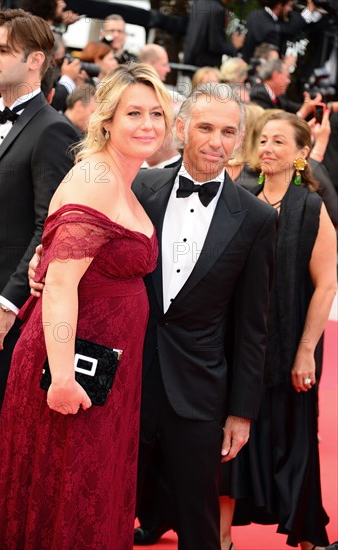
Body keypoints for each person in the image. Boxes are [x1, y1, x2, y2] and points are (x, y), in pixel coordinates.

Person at [29, 82, 278, 549]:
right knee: (104, 499)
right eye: (204, 127)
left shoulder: (257, 218)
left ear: (239, 139)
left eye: (228, 131)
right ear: (181, 128)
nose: (215, 141)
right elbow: (82, 247)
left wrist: (241, 412)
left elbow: (252, 326)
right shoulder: (138, 187)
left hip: (199, 390)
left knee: (197, 517)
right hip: (123, 377)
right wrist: (40, 263)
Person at [0, 62, 173, 550]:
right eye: (134, 112)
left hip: (103, 371)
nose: (148, 124)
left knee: (86, 494)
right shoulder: (94, 178)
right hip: (71, 371)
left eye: (157, 113)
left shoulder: (121, 178)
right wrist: (63, 377)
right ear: (106, 119)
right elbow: (62, 286)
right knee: (64, 500)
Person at [0, 8, 80, 539]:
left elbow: (49, 227)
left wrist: (8, 304)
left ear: (35, 60)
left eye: (2, 49)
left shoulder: (54, 131)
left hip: (3, 315)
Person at [220, 111, 337, 550]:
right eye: (263, 140)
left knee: (295, 436)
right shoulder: (241, 196)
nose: (267, 148)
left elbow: (326, 284)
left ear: (302, 154)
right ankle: (222, 539)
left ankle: (307, 537)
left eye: (279, 142)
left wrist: (307, 349)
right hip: (241, 345)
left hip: (292, 345)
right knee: (230, 440)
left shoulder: (311, 207)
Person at [242, 0, 321, 63]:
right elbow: (290, 29)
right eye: (289, 5)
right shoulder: (271, 29)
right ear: (279, 5)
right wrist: (309, 10)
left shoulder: (255, 14)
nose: (290, 9)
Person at [183, 0, 245, 68]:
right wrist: (233, 46)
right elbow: (215, 45)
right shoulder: (218, 9)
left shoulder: (199, 3)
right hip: (206, 67)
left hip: (192, 62)